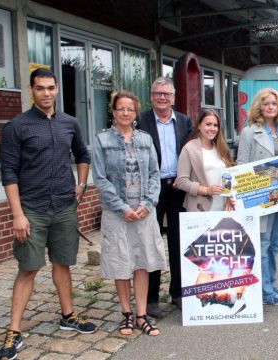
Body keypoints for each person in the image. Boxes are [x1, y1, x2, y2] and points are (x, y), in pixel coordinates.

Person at [0, 68, 95, 360]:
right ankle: (14, 330)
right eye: (40, 88)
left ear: (56, 90)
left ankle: (68, 315)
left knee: (63, 263)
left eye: (51, 88)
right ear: (31, 90)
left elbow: (83, 155)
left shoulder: (70, 123)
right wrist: (17, 214)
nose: (46, 93)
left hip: (64, 206)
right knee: (28, 267)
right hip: (32, 209)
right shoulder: (17, 126)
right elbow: (9, 173)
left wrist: (81, 184)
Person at [93, 90, 167, 336]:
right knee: (121, 262)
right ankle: (126, 313)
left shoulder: (145, 140)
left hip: (144, 211)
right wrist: (122, 208)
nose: (125, 113)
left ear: (136, 113)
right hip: (117, 213)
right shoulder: (102, 141)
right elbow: (101, 180)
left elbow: (155, 174)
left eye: (130, 109)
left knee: (142, 262)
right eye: (120, 108)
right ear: (113, 111)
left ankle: (141, 314)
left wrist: (148, 203)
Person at [237, 88, 278, 305]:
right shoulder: (249, 132)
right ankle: (265, 292)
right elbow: (242, 165)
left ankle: (270, 283)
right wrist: (271, 175)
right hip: (262, 198)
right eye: (266, 103)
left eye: (274, 103)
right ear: (259, 107)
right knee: (262, 243)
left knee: (275, 244)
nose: (270, 107)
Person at [137, 77, 192, 315]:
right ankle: (150, 298)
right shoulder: (141, 121)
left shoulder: (184, 121)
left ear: (173, 97)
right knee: (152, 243)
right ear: (151, 96)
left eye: (167, 94)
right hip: (151, 189)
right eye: (158, 93)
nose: (162, 97)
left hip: (178, 188)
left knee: (180, 242)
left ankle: (178, 293)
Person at [176, 109, 235, 212]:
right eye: (208, 124)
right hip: (199, 208)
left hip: (223, 207)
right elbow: (181, 181)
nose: (212, 128)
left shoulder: (222, 148)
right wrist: (207, 190)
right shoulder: (189, 148)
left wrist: (229, 198)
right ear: (199, 126)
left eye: (215, 125)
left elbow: (230, 175)